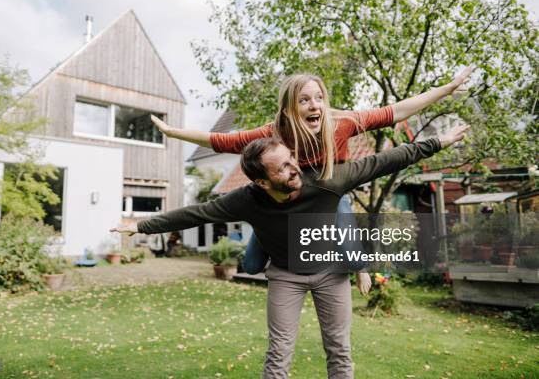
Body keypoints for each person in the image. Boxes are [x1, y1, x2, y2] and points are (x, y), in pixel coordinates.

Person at [110, 124, 468, 378]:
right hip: (285, 275)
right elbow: (194, 214)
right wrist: (140, 225)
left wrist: (440, 141)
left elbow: (388, 159)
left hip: (330, 272)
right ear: (262, 182)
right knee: (279, 354)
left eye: (291, 159)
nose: (294, 166)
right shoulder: (245, 200)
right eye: (283, 166)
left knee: (339, 350)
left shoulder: (327, 180)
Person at [151, 68, 472, 276]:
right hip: (284, 199)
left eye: (319, 98)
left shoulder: (342, 123)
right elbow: (220, 140)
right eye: (304, 100)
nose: (314, 105)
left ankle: (358, 272)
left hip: (329, 192)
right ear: (290, 108)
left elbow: (397, 110)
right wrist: (173, 132)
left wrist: (446, 89)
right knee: (249, 266)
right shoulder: (275, 132)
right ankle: (265, 236)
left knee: (352, 252)